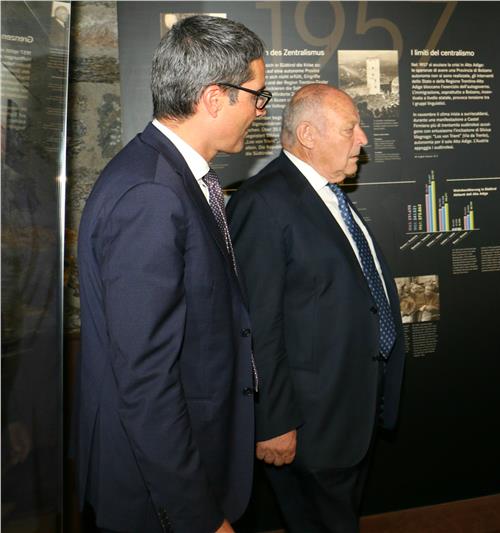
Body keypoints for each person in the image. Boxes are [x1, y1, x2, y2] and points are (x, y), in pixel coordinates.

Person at [75, 15, 269, 532]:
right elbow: (145, 379)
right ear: (214, 98)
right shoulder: (152, 195)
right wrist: (198, 516)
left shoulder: (170, 176)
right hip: (157, 491)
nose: (260, 110)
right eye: (256, 95)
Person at [227, 83, 406, 532]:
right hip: (309, 426)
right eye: (350, 128)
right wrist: (271, 422)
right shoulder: (264, 202)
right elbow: (256, 324)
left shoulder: (328, 195)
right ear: (308, 134)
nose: (363, 138)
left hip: (348, 414)